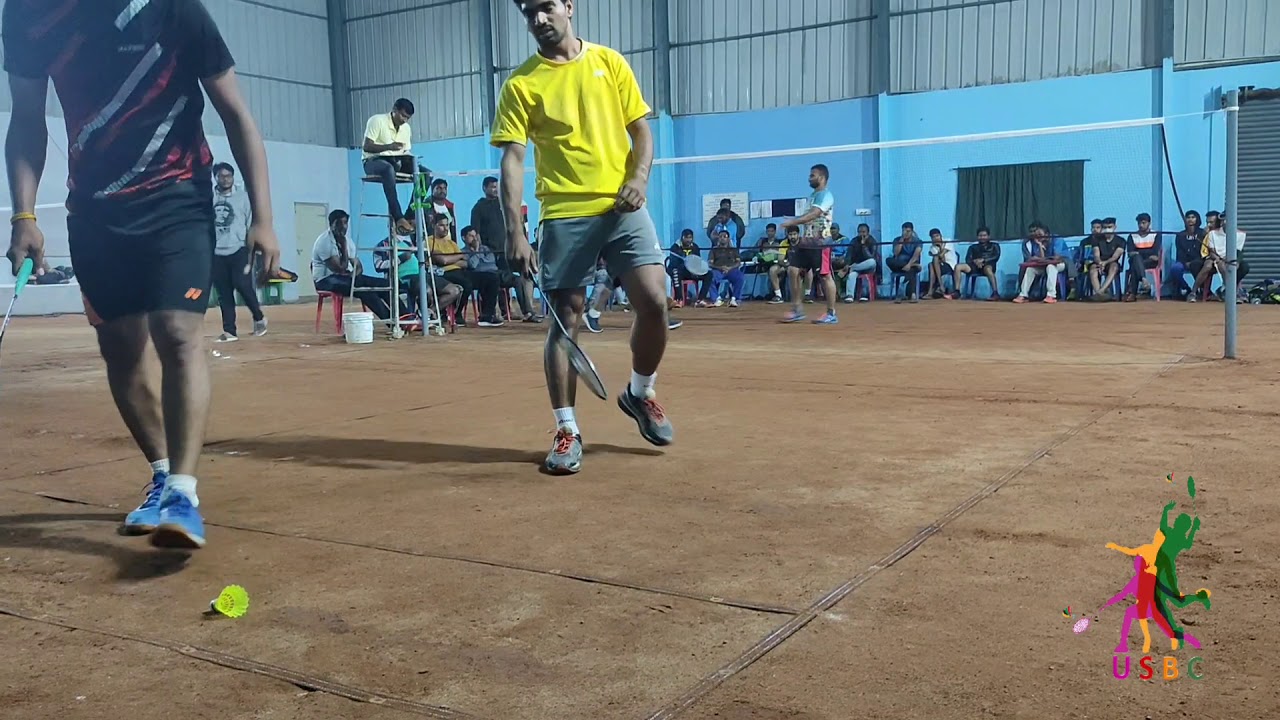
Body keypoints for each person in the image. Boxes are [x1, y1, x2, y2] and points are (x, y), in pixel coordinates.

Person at [3, 0, 282, 549]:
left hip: (178, 198)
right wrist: (24, 215)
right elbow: (27, 120)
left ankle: (183, 491)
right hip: (94, 212)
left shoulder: (175, 9)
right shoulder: (30, 13)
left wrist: (265, 219)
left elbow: (236, 115)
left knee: (177, 334)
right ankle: (161, 474)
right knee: (122, 354)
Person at [492, 0, 675, 475]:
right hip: (564, 214)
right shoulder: (521, 83)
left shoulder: (609, 62)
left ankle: (640, 392)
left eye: (546, 7)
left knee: (655, 301)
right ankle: (567, 428)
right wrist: (515, 229)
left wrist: (639, 179)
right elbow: (512, 158)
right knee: (565, 321)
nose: (538, 18)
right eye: (528, 11)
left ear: (569, 6)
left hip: (621, 206)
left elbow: (642, 133)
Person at [211, 162, 268, 342]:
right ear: (216, 178)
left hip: (239, 249)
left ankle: (259, 317)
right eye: (222, 176)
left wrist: (254, 251)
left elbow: (251, 224)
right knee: (223, 292)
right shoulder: (208, 198)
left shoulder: (243, 198)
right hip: (216, 252)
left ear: (233, 177)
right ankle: (230, 331)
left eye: (229, 176)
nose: (225, 179)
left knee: (242, 284)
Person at [780, 164, 838, 324]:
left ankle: (831, 313)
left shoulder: (826, 196)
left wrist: (793, 221)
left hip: (821, 243)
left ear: (822, 177)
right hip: (806, 242)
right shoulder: (812, 196)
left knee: (825, 277)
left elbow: (813, 215)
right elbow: (807, 216)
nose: (809, 178)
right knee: (792, 270)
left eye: (812, 175)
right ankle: (797, 309)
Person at [311, 210, 392, 320]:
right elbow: (340, 269)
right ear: (332, 224)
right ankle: (389, 320)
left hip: (345, 277)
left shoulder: (348, 241)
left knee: (384, 285)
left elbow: (358, 266)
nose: (344, 227)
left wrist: (354, 275)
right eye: (340, 223)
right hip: (325, 280)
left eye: (346, 223)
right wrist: (343, 247)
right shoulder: (324, 242)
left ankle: (404, 317)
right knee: (363, 290)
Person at [362, 98, 417, 236]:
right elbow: (367, 146)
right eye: (403, 116)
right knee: (388, 169)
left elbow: (405, 150)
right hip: (373, 161)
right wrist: (389, 147)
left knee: (424, 173)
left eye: (407, 118)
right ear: (394, 110)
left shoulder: (406, 128)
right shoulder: (377, 121)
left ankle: (409, 215)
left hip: (396, 160)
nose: (404, 120)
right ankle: (398, 217)